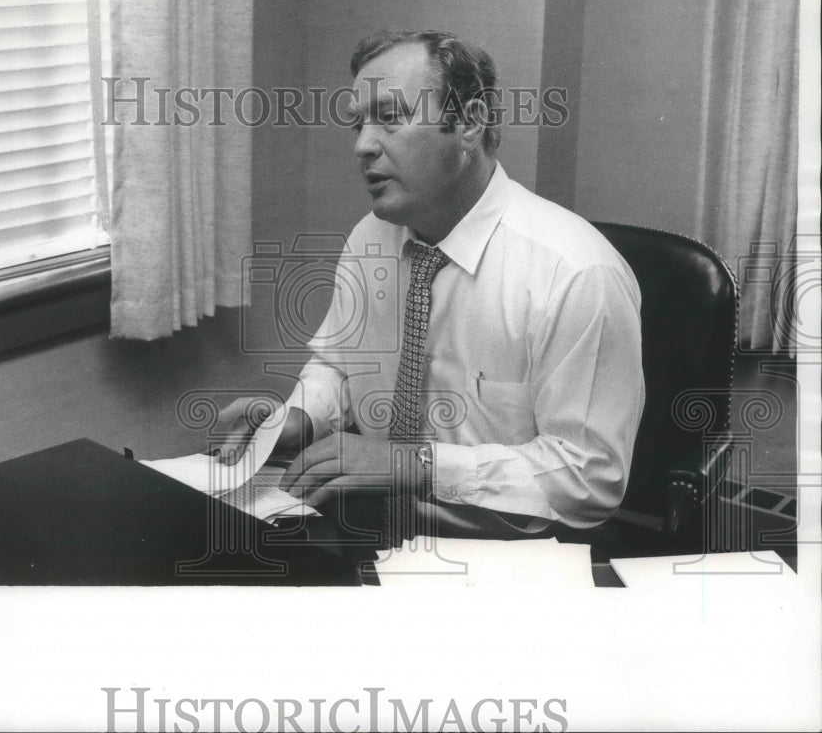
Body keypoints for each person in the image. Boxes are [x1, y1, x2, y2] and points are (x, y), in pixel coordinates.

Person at [218, 29, 645, 541]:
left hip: (504, 556)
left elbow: (590, 477)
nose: (362, 145)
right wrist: (299, 418)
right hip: (362, 529)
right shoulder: (371, 237)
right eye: (358, 123)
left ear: (469, 123)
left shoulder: (575, 273)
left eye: (389, 117)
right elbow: (341, 365)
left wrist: (417, 465)